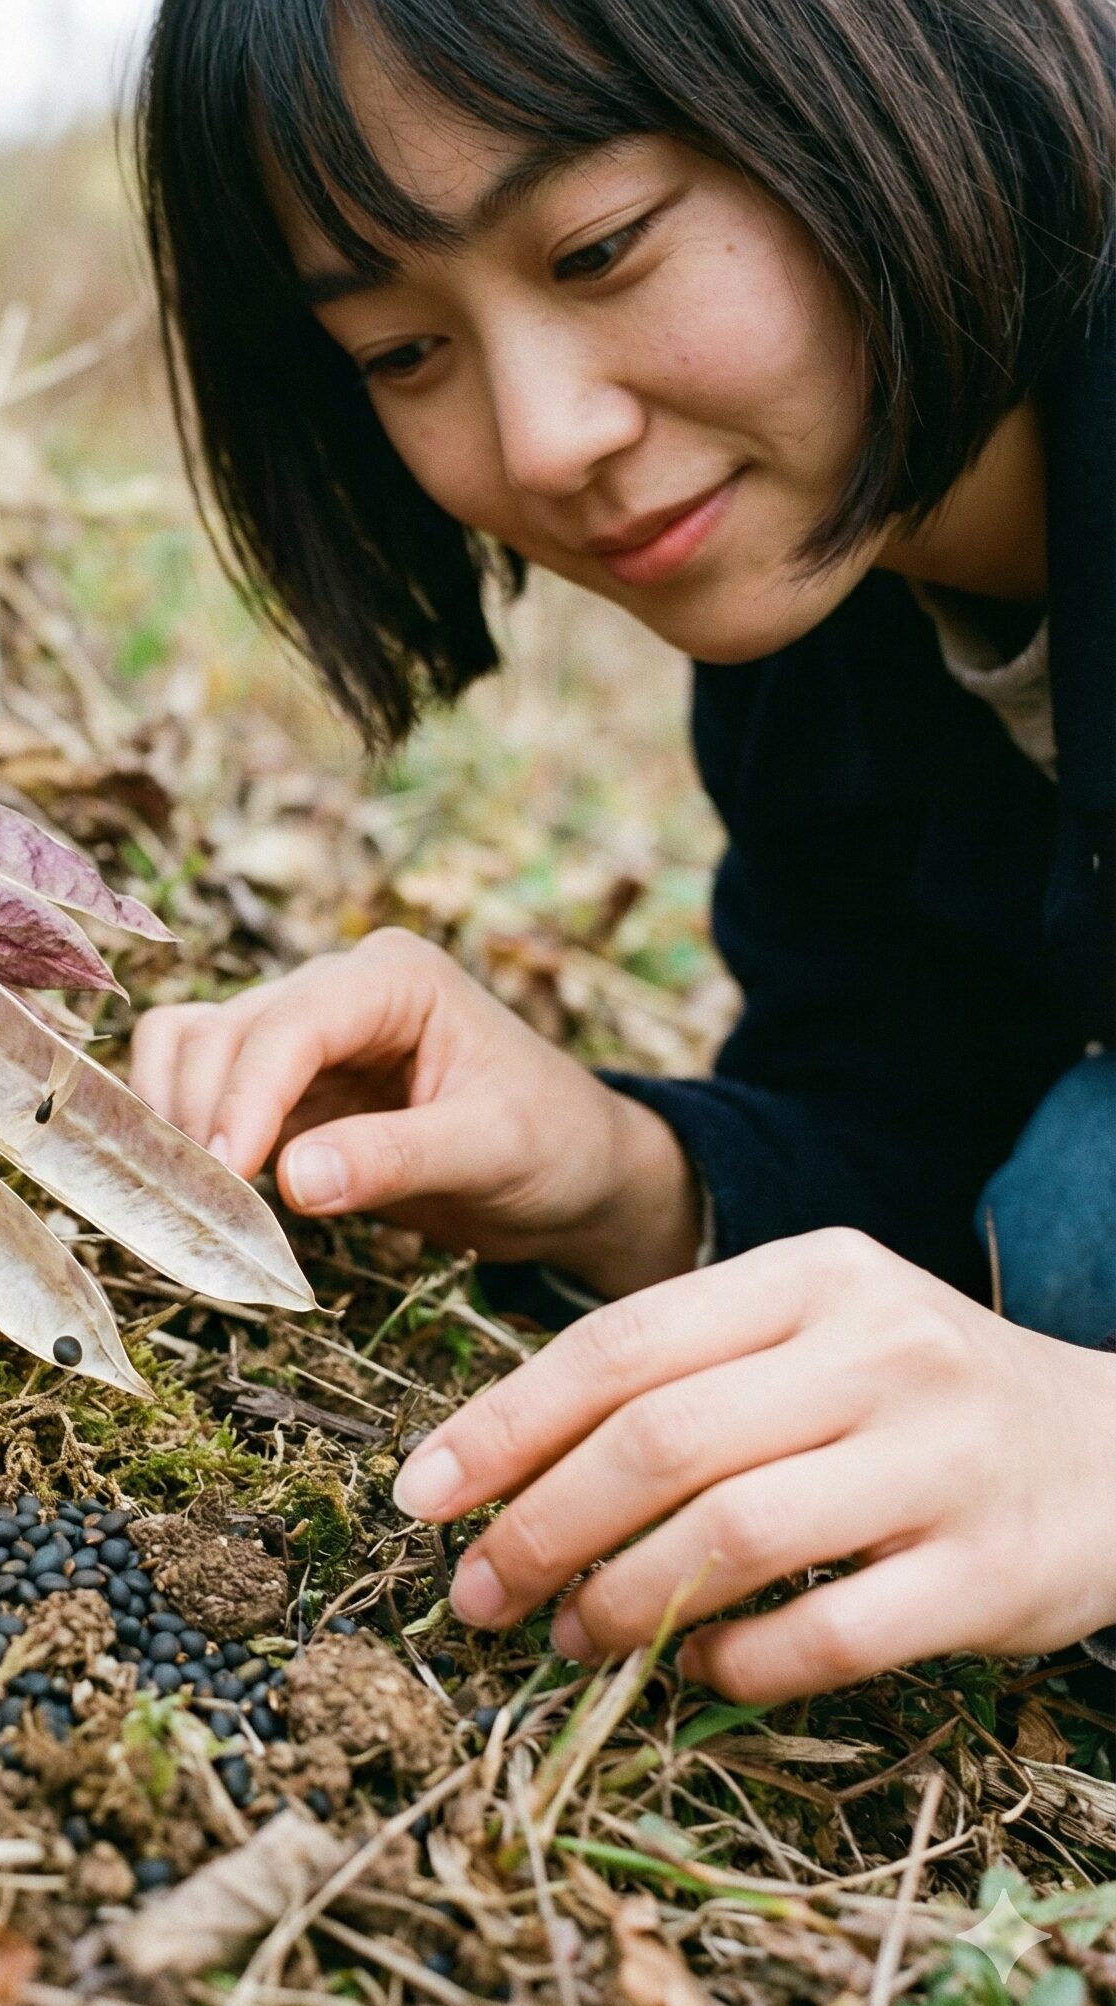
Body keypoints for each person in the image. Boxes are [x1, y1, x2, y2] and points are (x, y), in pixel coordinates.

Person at [126, 0, 1116, 1703]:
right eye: (401, 352)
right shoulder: (833, 644)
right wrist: (617, 1169)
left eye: (599, 248)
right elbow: (918, 1136)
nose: (540, 441)